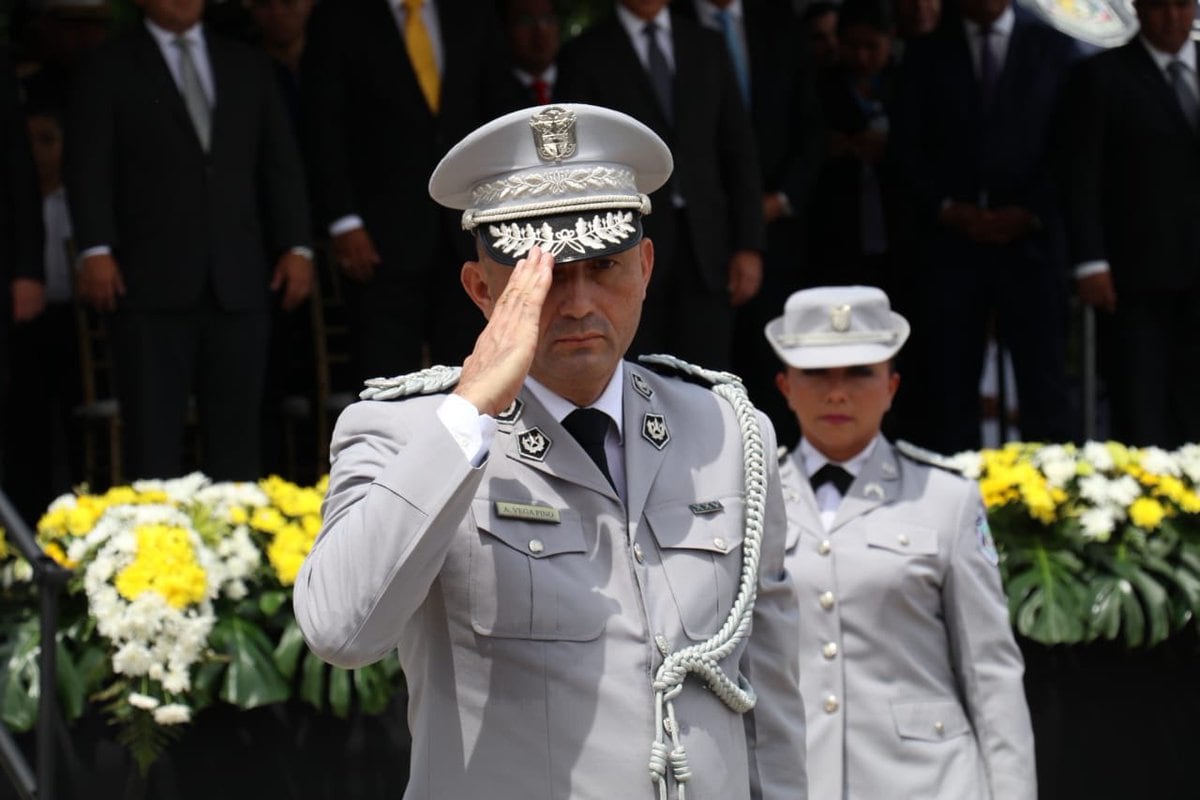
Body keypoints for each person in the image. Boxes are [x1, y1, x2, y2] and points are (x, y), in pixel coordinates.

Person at [294, 103, 806, 799]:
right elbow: (340, 630)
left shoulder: (723, 426)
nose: (578, 302)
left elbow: (767, 692)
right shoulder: (406, 431)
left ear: (647, 266)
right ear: (481, 289)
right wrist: (469, 410)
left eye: (605, 266)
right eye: (546, 276)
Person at [765, 284, 1035, 799]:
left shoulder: (946, 498)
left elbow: (991, 672)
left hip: (927, 782)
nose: (837, 392)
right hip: (792, 780)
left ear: (892, 386)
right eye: (816, 374)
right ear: (785, 386)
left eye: (860, 373)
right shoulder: (750, 498)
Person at [65, 0, 313, 481]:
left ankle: (240, 548)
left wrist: (296, 246)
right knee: (153, 436)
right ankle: (153, 548)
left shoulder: (245, 62)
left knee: (239, 437)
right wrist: (95, 248)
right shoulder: (108, 64)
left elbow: (279, 163)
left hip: (238, 276)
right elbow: (88, 165)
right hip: (147, 279)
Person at [889, 0, 1083, 452]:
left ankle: (1047, 503)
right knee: (948, 389)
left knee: (1045, 387)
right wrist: (948, 208)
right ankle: (952, 505)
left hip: (1031, 245)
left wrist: (1030, 211)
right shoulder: (924, 52)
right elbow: (906, 151)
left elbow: (1074, 148)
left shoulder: (1054, 47)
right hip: (950, 248)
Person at [300, 0, 509, 386]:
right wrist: (344, 220)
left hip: (467, 226)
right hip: (380, 236)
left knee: (473, 367)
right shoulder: (341, 18)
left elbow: (500, 108)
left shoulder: (471, 12)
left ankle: (472, 448)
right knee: (387, 372)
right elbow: (322, 127)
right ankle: (394, 450)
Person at [555, 0, 766, 371]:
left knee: (708, 372)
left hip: (708, 248)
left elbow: (738, 151)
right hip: (624, 249)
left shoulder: (706, 43)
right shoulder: (586, 53)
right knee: (637, 373)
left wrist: (748, 244)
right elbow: (578, 163)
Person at [1056, 0, 1200, 447]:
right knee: (1142, 407)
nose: (1173, 17)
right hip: (1136, 274)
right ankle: (1149, 508)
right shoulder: (1102, 76)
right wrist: (1090, 261)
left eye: (1183, 5)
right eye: (1160, 6)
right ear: (1138, 8)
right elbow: (1080, 176)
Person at [496, 0, 561, 107]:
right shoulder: (488, 95)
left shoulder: (585, 85)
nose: (540, 31)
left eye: (547, 18)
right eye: (525, 21)